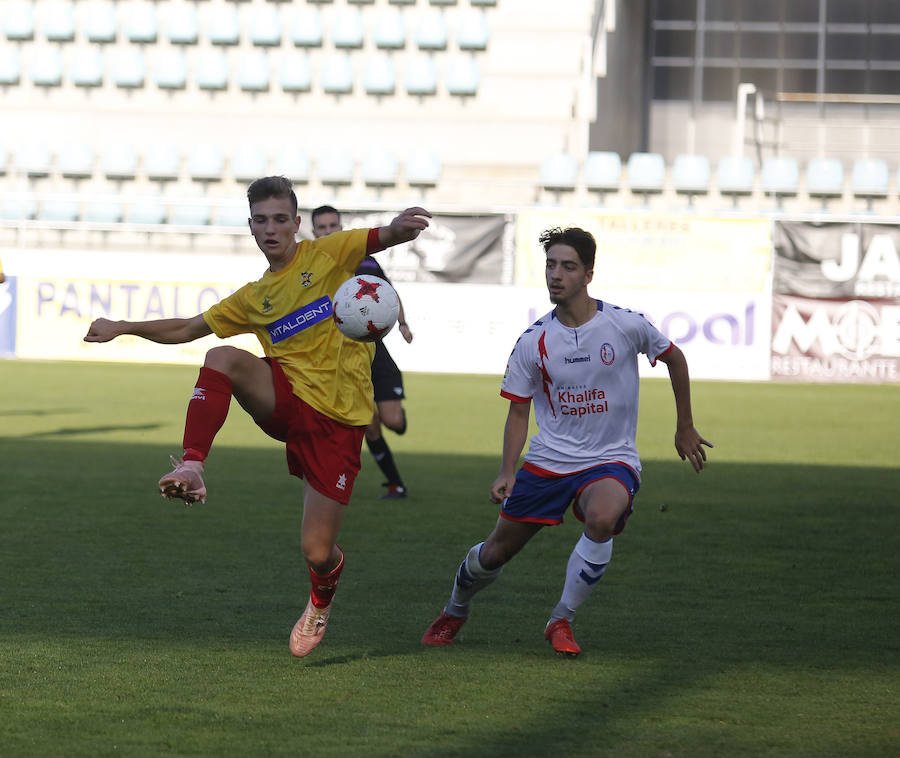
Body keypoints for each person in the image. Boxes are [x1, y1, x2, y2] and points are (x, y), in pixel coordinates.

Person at [84, 177, 430, 658]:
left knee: (317, 551)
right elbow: (188, 327)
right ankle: (192, 464)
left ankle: (320, 599)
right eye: (262, 220)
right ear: (251, 227)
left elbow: (383, 236)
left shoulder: (328, 254)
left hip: (340, 423)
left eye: (280, 219)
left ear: (296, 223)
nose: (272, 229)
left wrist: (399, 228)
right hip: (286, 401)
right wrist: (124, 327)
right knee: (223, 357)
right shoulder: (254, 297)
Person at [421, 226, 712, 656]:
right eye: (551, 265)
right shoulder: (532, 342)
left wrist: (684, 424)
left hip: (610, 458)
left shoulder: (624, 325)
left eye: (568, 267)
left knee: (603, 517)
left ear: (589, 274)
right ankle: (456, 608)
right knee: (496, 553)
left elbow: (674, 357)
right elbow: (518, 411)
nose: (556, 275)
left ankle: (561, 620)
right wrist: (507, 470)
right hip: (548, 461)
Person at [312, 204, 413, 500]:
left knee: (392, 422)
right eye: (323, 227)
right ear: (314, 231)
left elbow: (388, 293)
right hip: (340, 357)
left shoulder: (365, 260)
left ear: (340, 227)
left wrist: (403, 323)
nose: (329, 231)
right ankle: (396, 485)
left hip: (373, 349)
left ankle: (394, 416)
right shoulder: (310, 268)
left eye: (333, 226)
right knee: (369, 426)